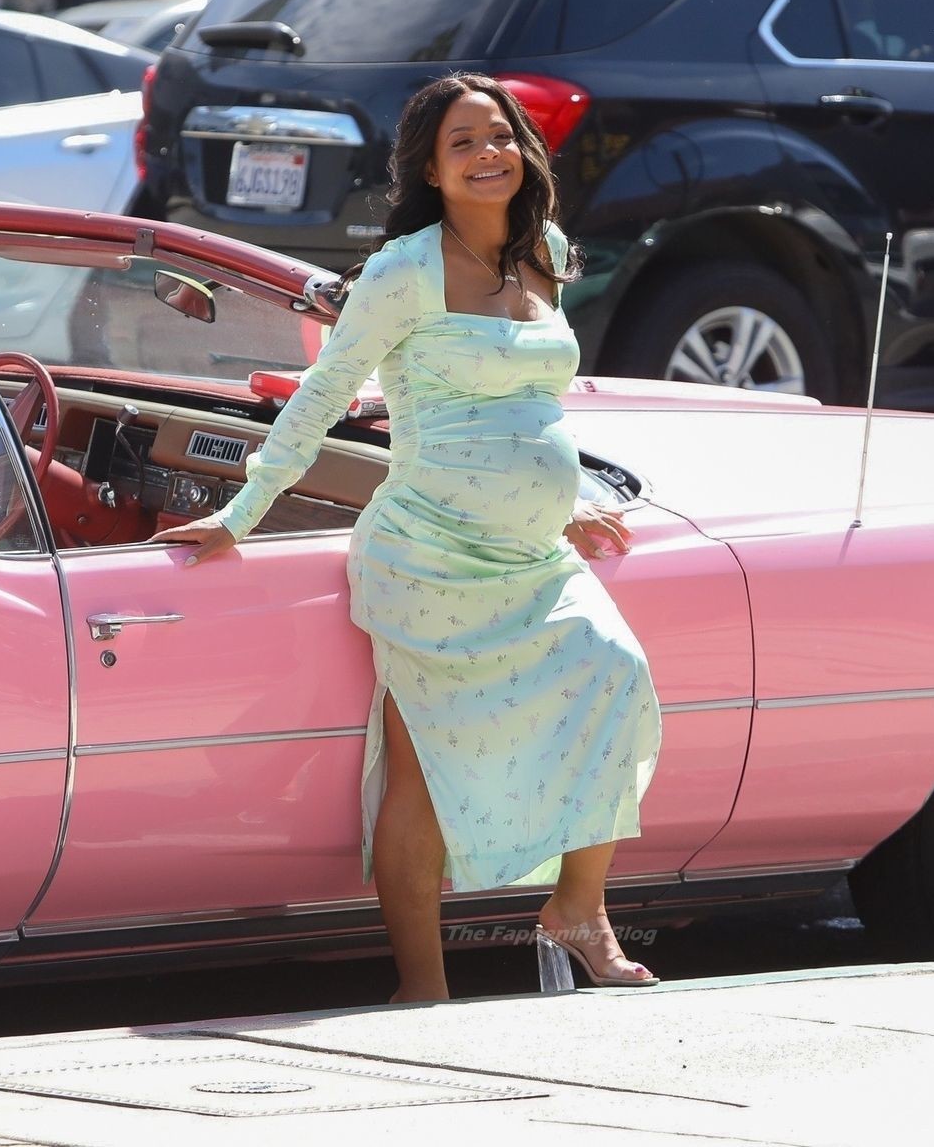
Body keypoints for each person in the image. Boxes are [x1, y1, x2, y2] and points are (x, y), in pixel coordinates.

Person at [149, 74, 662, 1003]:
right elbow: (323, 394)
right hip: (427, 556)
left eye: (500, 136)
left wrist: (566, 500)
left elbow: (533, 403)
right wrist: (241, 511)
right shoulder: (401, 271)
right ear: (430, 168)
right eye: (462, 143)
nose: (487, 154)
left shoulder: (544, 249)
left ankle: (577, 908)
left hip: (531, 555)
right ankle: (421, 985)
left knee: (615, 671)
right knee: (421, 770)